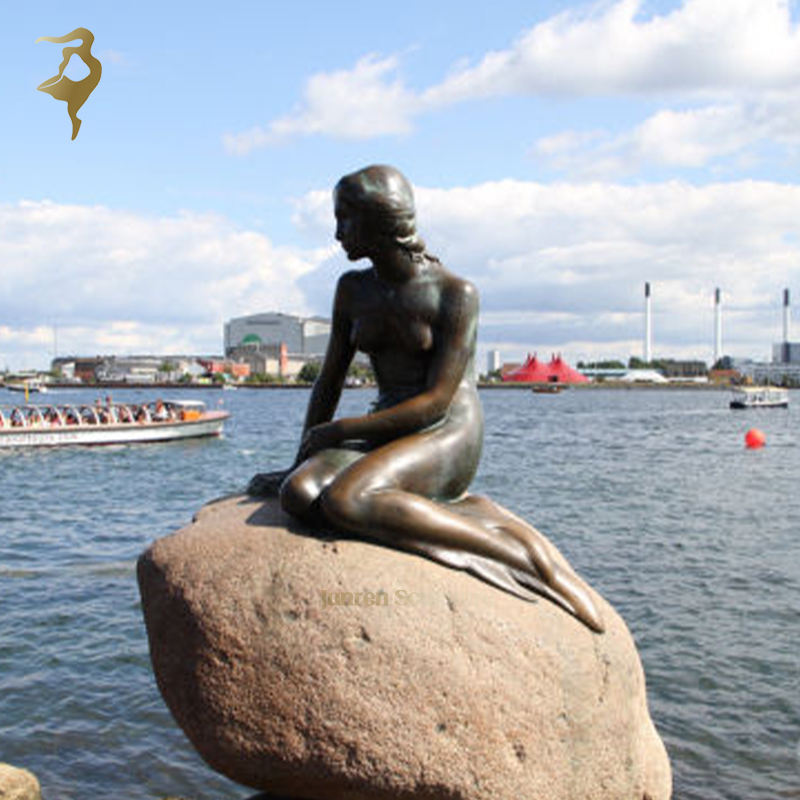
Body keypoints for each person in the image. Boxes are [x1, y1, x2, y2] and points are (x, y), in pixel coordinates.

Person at [251, 165, 602, 632]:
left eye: (346, 220)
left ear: (381, 221)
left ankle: (517, 553)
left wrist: (339, 431)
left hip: (445, 430)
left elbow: (436, 401)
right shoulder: (351, 289)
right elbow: (329, 380)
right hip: (386, 425)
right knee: (299, 493)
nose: (337, 234)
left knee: (348, 500)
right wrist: (299, 459)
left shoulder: (455, 293)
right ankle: (432, 510)